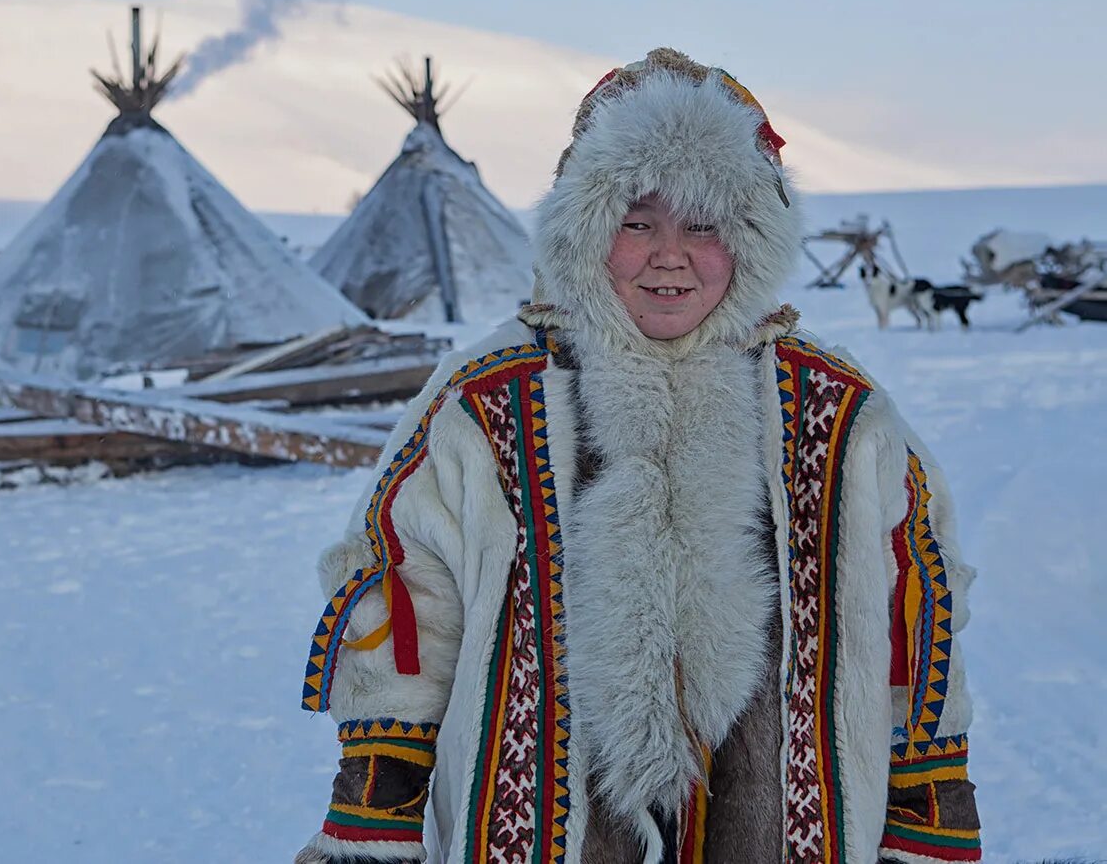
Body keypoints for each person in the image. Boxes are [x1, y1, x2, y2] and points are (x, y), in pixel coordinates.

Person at [294, 48, 980, 864]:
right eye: (636, 220)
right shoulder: (487, 402)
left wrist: (926, 825)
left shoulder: (837, 414)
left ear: (751, 239)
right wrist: (374, 827)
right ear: (584, 229)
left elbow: (919, 613)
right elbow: (406, 598)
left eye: (704, 224)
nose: (669, 253)